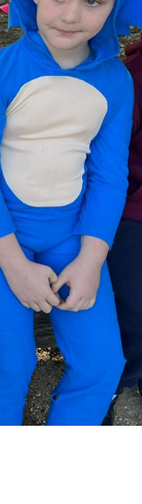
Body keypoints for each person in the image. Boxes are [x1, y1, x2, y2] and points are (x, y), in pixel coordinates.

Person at [0, 0, 142, 426]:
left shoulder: (116, 82)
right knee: (11, 360)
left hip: (72, 232)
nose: (71, 15)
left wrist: (90, 259)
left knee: (104, 363)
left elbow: (108, 176)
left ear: (113, 7)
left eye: (92, 2)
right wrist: (14, 265)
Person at [103, 26, 142, 424]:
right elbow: (110, 164)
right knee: (135, 317)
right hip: (132, 211)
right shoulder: (132, 77)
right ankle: (111, 386)